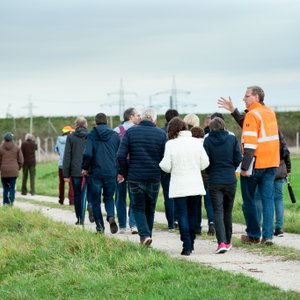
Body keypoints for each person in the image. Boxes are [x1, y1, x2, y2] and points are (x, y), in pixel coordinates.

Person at [218, 95, 291, 237]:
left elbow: (250, 145)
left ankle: (253, 235)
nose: (244, 98)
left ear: (256, 96)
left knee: (249, 200)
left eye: (247, 95)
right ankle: (268, 236)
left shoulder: (252, 114)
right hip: (272, 164)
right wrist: (234, 110)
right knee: (268, 200)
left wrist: (244, 168)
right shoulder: (269, 113)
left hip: (255, 165)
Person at [117, 108, 166, 247]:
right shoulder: (161, 134)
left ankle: (144, 236)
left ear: (141, 118)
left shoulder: (130, 132)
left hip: (135, 177)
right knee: (150, 209)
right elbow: (165, 159)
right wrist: (160, 174)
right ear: (154, 120)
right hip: (154, 177)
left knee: (138, 208)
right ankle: (147, 237)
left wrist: (125, 173)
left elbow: (120, 156)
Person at [159, 117, 209, 256]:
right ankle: (191, 240)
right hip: (195, 183)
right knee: (194, 213)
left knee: (182, 214)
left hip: (179, 185)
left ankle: (186, 244)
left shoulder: (171, 144)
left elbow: (166, 166)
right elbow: (205, 163)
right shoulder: (196, 142)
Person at [203, 117, 242, 253]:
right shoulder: (232, 139)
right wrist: (231, 168)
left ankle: (221, 243)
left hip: (214, 180)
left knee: (217, 212)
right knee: (228, 211)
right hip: (230, 179)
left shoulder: (207, 140)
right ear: (224, 126)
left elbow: (205, 161)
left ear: (211, 128)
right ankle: (228, 241)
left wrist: (211, 171)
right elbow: (238, 158)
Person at [82, 113, 120, 234]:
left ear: (95, 122)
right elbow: (119, 154)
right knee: (109, 197)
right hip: (111, 172)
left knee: (95, 201)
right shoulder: (115, 135)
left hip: (95, 173)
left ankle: (100, 228)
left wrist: (84, 167)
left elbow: (87, 154)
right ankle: (110, 216)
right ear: (106, 122)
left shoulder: (91, 135)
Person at [184, 114, 215, 236]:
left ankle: (196, 226)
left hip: (195, 178)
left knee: (196, 203)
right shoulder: (206, 142)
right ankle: (211, 222)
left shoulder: (188, 144)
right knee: (209, 202)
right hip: (208, 176)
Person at [114, 107, 140, 234]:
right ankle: (133, 224)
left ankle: (123, 225)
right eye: (137, 115)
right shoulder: (138, 130)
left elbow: (114, 152)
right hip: (134, 168)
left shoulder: (116, 131)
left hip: (119, 168)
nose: (139, 117)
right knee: (134, 196)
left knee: (120, 196)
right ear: (131, 117)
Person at [63, 117, 89, 225]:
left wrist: (66, 174)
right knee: (90, 193)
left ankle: (79, 218)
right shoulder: (90, 136)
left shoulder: (70, 137)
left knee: (77, 195)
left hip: (75, 170)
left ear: (76, 125)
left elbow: (67, 156)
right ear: (85, 125)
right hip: (88, 170)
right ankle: (91, 208)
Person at [161, 108, 179, 232]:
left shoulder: (162, 132)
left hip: (166, 169)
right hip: (179, 167)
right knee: (180, 193)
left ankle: (171, 223)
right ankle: (178, 218)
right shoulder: (182, 133)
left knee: (168, 195)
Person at [0, 132, 24, 206]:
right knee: (12, 187)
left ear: (4, 139)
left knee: (5, 188)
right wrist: (18, 168)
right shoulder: (16, 147)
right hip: (14, 171)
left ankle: (5, 203)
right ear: (11, 139)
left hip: (4, 171)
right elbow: (21, 160)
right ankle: (11, 202)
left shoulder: (0, 148)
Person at [55, 126, 74, 205]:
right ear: (69, 132)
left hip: (61, 164)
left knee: (61, 183)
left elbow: (56, 150)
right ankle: (71, 200)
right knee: (71, 183)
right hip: (70, 164)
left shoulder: (59, 140)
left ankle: (61, 200)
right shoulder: (72, 139)